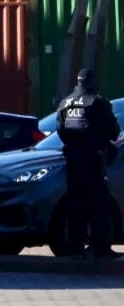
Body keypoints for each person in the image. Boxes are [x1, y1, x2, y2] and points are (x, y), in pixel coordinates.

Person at [55, 68, 121, 258]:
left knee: (75, 204)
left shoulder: (65, 103)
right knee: (98, 204)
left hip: (72, 161)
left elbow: (60, 130)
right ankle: (99, 248)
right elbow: (114, 131)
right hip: (93, 160)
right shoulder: (98, 103)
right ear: (93, 82)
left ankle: (76, 248)